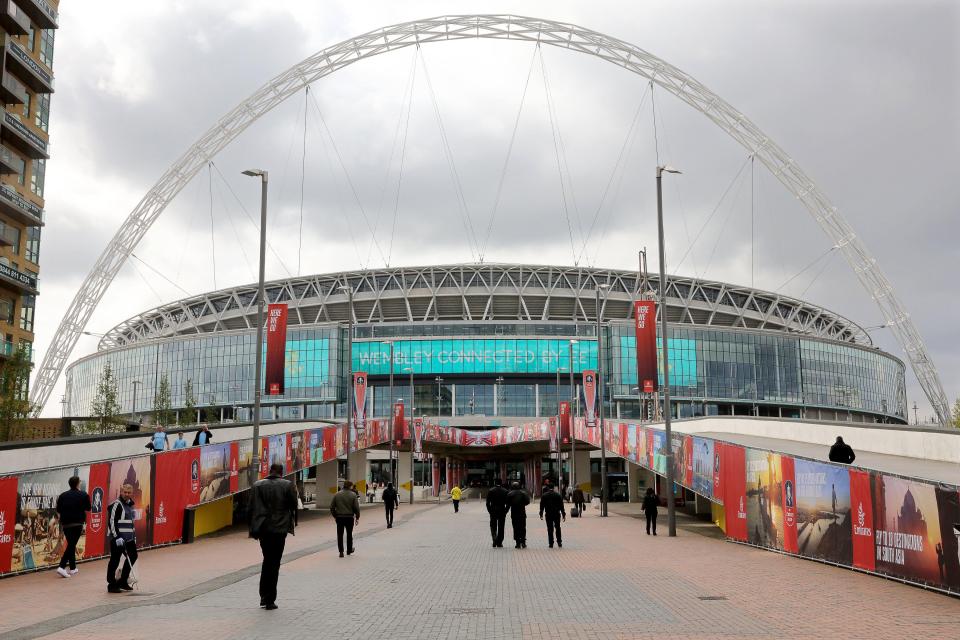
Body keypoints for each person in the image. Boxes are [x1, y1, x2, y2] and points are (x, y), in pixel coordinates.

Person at [249, 463, 298, 610]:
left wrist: (253, 529)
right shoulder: (287, 485)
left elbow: (251, 508)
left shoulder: (257, 485)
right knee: (274, 563)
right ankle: (269, 599)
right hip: (279, 529)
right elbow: (294, 504)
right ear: (281, 472)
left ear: (270, 471)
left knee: (267, 561)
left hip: (263, 529)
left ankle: (264, 597)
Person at [55, 476, 91, 578]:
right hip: (77, 524)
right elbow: (88, 507)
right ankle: (61, 567)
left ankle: (73, 568)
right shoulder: (83, 495)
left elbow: (59, 509)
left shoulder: (62, 495)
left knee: (71, 544)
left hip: (66, 524)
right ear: (78, 483)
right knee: (71, 545)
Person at [106, 484, 138, 593]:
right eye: (125, 492)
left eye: (129, 492)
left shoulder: (130, 505)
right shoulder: (116, 504)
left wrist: (134, 537)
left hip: (129, 539)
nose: (127, 494)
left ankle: (123, 581)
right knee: (115, 560)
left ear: (132, 493)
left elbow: (131, 523)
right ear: (121, 492)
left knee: (133, 556)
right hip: (118, 539)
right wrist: (117, 537)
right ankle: (111, 584)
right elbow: (111, 522)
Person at [330, 480, 361, 557]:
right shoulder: (353, 495)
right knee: (349, 534)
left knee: (340, 535)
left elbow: (332, 507)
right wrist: (357, 517)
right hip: (349, 517)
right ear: (350, 486)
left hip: (339, 517)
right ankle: (349, 550)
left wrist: (335, 516)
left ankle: (341, 552)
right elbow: (356, 508)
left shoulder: (337, 494)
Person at [539, 484, 566, 548]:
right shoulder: (558, 495)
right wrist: (563, 514)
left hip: (548, 514)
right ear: (553, 488)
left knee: (550, 529)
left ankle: (551, 543)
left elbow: (541, 506)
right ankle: (559, 542)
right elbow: (562, 506)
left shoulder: (544, 495)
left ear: (548, 488)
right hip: (556, 513)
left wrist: (541, 514)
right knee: (558, 527)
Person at [486, 479, 509, 548]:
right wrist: (505, 511)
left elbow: (487, 503)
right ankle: (500, 542)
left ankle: (494, 540)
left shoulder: (491, 491)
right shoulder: (505, 491)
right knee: (501, 527)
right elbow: (508, 504)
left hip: (493, 510)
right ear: (501, 483)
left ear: (495, 483)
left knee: (493, 526)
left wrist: (490, 511)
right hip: (502, 510)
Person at [507, 482, 530, 548]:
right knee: (523, 527)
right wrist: (522, 504)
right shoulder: (523, 493)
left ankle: (517, 543)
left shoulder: (510, 494)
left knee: (515, 527)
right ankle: (523, 542)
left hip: (514, 513)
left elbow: (508, 503)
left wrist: (506, 511)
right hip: (522, 513)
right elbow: (527, 502)